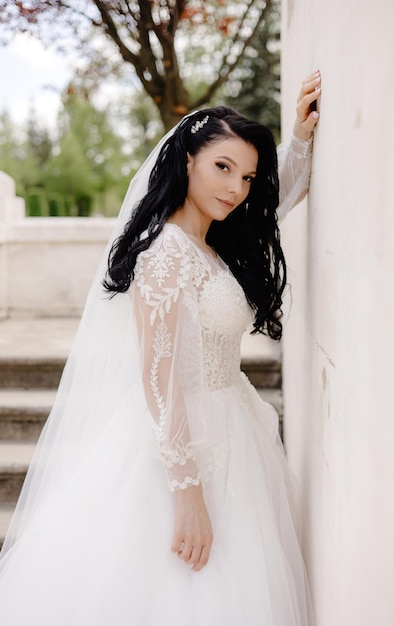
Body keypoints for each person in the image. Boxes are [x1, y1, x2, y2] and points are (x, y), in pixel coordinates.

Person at [0, 72, 321, 625]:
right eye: (222, 167)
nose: (236, 188)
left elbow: (274, 199)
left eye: (246, 175)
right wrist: (187, 492)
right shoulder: (165, 255)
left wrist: (298, 139)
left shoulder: (211, 243)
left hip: (233, 426)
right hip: (181, 446)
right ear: (187, 160)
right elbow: (158, 377)